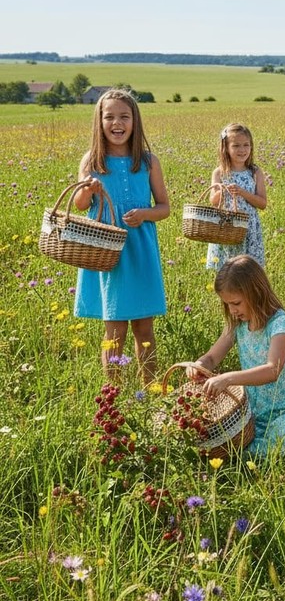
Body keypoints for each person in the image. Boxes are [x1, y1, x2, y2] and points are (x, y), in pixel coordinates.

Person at [73, 88, 169, 384]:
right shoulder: (91, 161)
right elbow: (79, 205)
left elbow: (164, 208)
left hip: (140, 251)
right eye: (110, 116)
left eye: (124, 116)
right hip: (107, 254)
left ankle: (150, 389)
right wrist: (87, 191)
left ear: (134, 121)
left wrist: (144, 214)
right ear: (99, 122)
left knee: (145, 328)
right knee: (114, 330)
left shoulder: (148, 161)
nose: (117, 123)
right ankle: (113, 393)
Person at [190, 255, 285, 454]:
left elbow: (272, 369)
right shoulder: (238, 325)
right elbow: (213, 358)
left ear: (255, 293)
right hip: (255, 412)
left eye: (237, 303)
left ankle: (261, 452)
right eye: (227, 305)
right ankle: (252, 451)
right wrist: (199, 365)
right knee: (226, 438)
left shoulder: (280, 324)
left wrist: (228, 378)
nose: (232, 310)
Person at [206, 123, 267, 271]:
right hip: (226, 227)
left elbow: (262, 203)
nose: (242, 150)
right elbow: (213, 201)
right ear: (225, 148)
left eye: (246, 145)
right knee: (227, 270)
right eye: (236, 145)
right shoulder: (219, 173)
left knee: (247, 270)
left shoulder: (255, 171)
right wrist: (223, 191)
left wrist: (242, 192)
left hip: (248, 227)